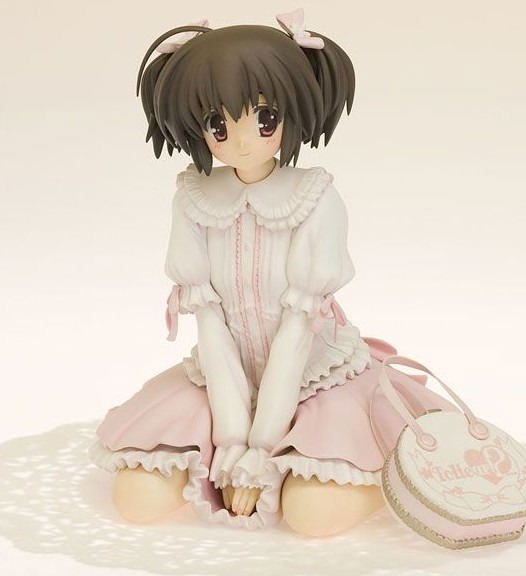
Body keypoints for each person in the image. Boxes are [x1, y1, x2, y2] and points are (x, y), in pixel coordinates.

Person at [88, 8, 456, 536]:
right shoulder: (195, 197)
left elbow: (295, 335)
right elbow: (211, 328)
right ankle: (235, 458)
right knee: (137, 501)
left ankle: (349, 472)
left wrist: (260, 451)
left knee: (314, 516)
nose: (240, 141)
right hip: (222, 375)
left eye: (263, 119)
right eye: (217, 124)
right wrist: (232, 441)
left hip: (312, 374)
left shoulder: (313, 197)